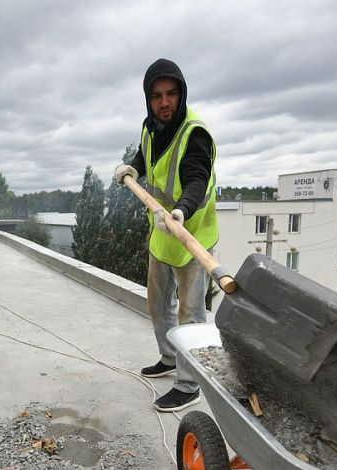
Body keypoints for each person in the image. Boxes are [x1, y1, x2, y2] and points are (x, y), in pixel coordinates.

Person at [113, 59, 219, 413]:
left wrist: (182, 212)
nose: (164, 102)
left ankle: (190, 384)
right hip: (161, 235)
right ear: (148, 99)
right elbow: (148, 154)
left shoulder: (195, 134)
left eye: (171, 94)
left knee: (191, 315)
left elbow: (195, 179)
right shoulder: (150, 126)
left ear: (181, 94)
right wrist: (134, 167)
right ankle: (169, 357)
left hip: (191, 238)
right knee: (158, 306)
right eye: (157, 95)